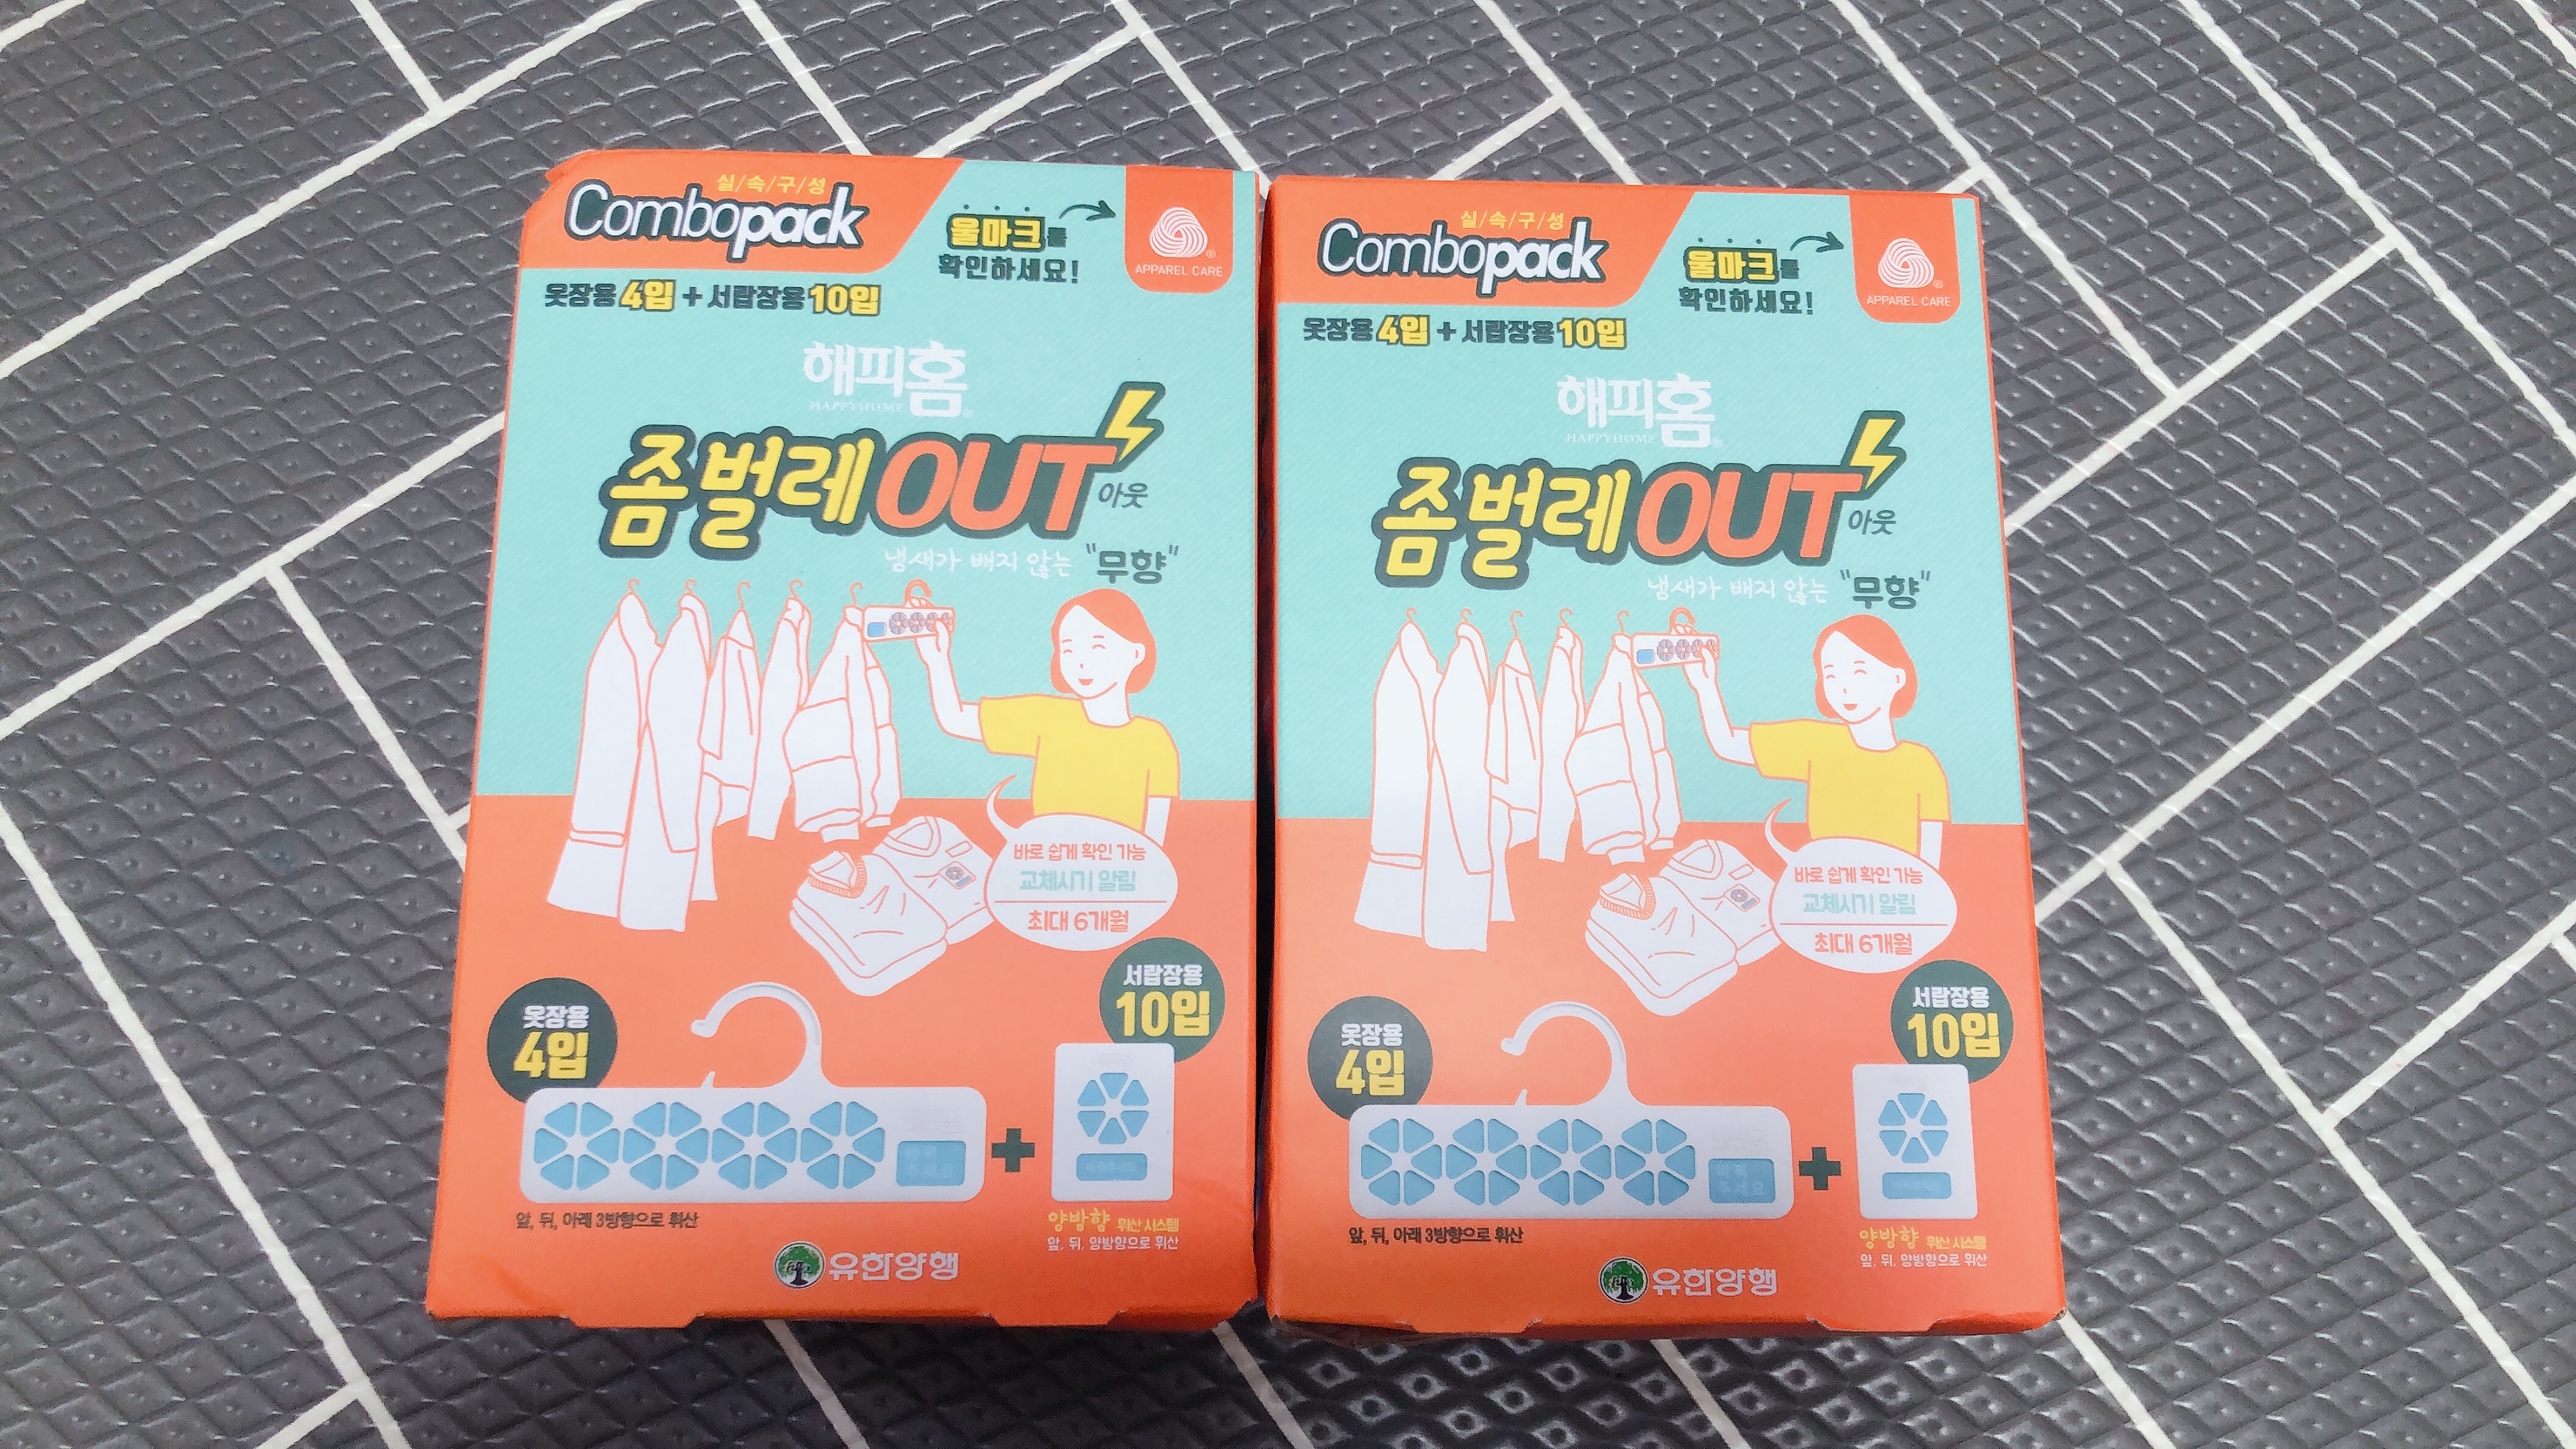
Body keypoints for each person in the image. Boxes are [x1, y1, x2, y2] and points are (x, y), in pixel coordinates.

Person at [1678, 614, 1947, 865]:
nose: (1844, 687)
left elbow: (1930, 866)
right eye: (1831, 674)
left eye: (1859, 671)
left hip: (1897, 890)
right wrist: (1705, 687)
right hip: (1825, 884)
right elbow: (1727, 743)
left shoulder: (1922, 765)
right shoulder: (1817, 742)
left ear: (1897, 678)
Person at [916, 588, 1178, 842]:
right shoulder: (1047, 717)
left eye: (1097, 647)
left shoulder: (1154, 740)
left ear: (1136, 653)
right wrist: (937, 660)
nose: (1081, 662)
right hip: (1048, 860)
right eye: (1068, 649)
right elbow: (955, 718)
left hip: (1121, 864)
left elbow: (1154, 842)